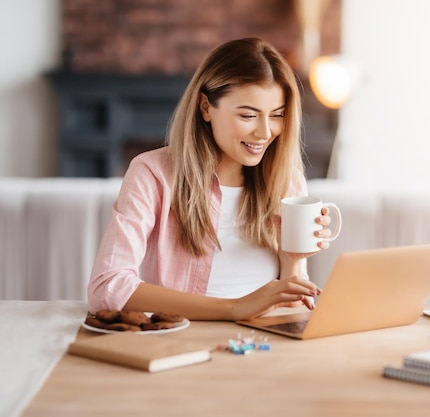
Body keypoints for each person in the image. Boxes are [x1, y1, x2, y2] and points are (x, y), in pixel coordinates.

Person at [87, 37, 333, 321]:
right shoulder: (152, 174)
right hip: (188, 343)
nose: (265, 132)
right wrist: (233, 308)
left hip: (266, 346)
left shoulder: (286, 180)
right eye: (248, 115)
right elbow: (107, 286)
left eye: (276, 115)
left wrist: (292, 260)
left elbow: (292, 312)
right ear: (206, 107)